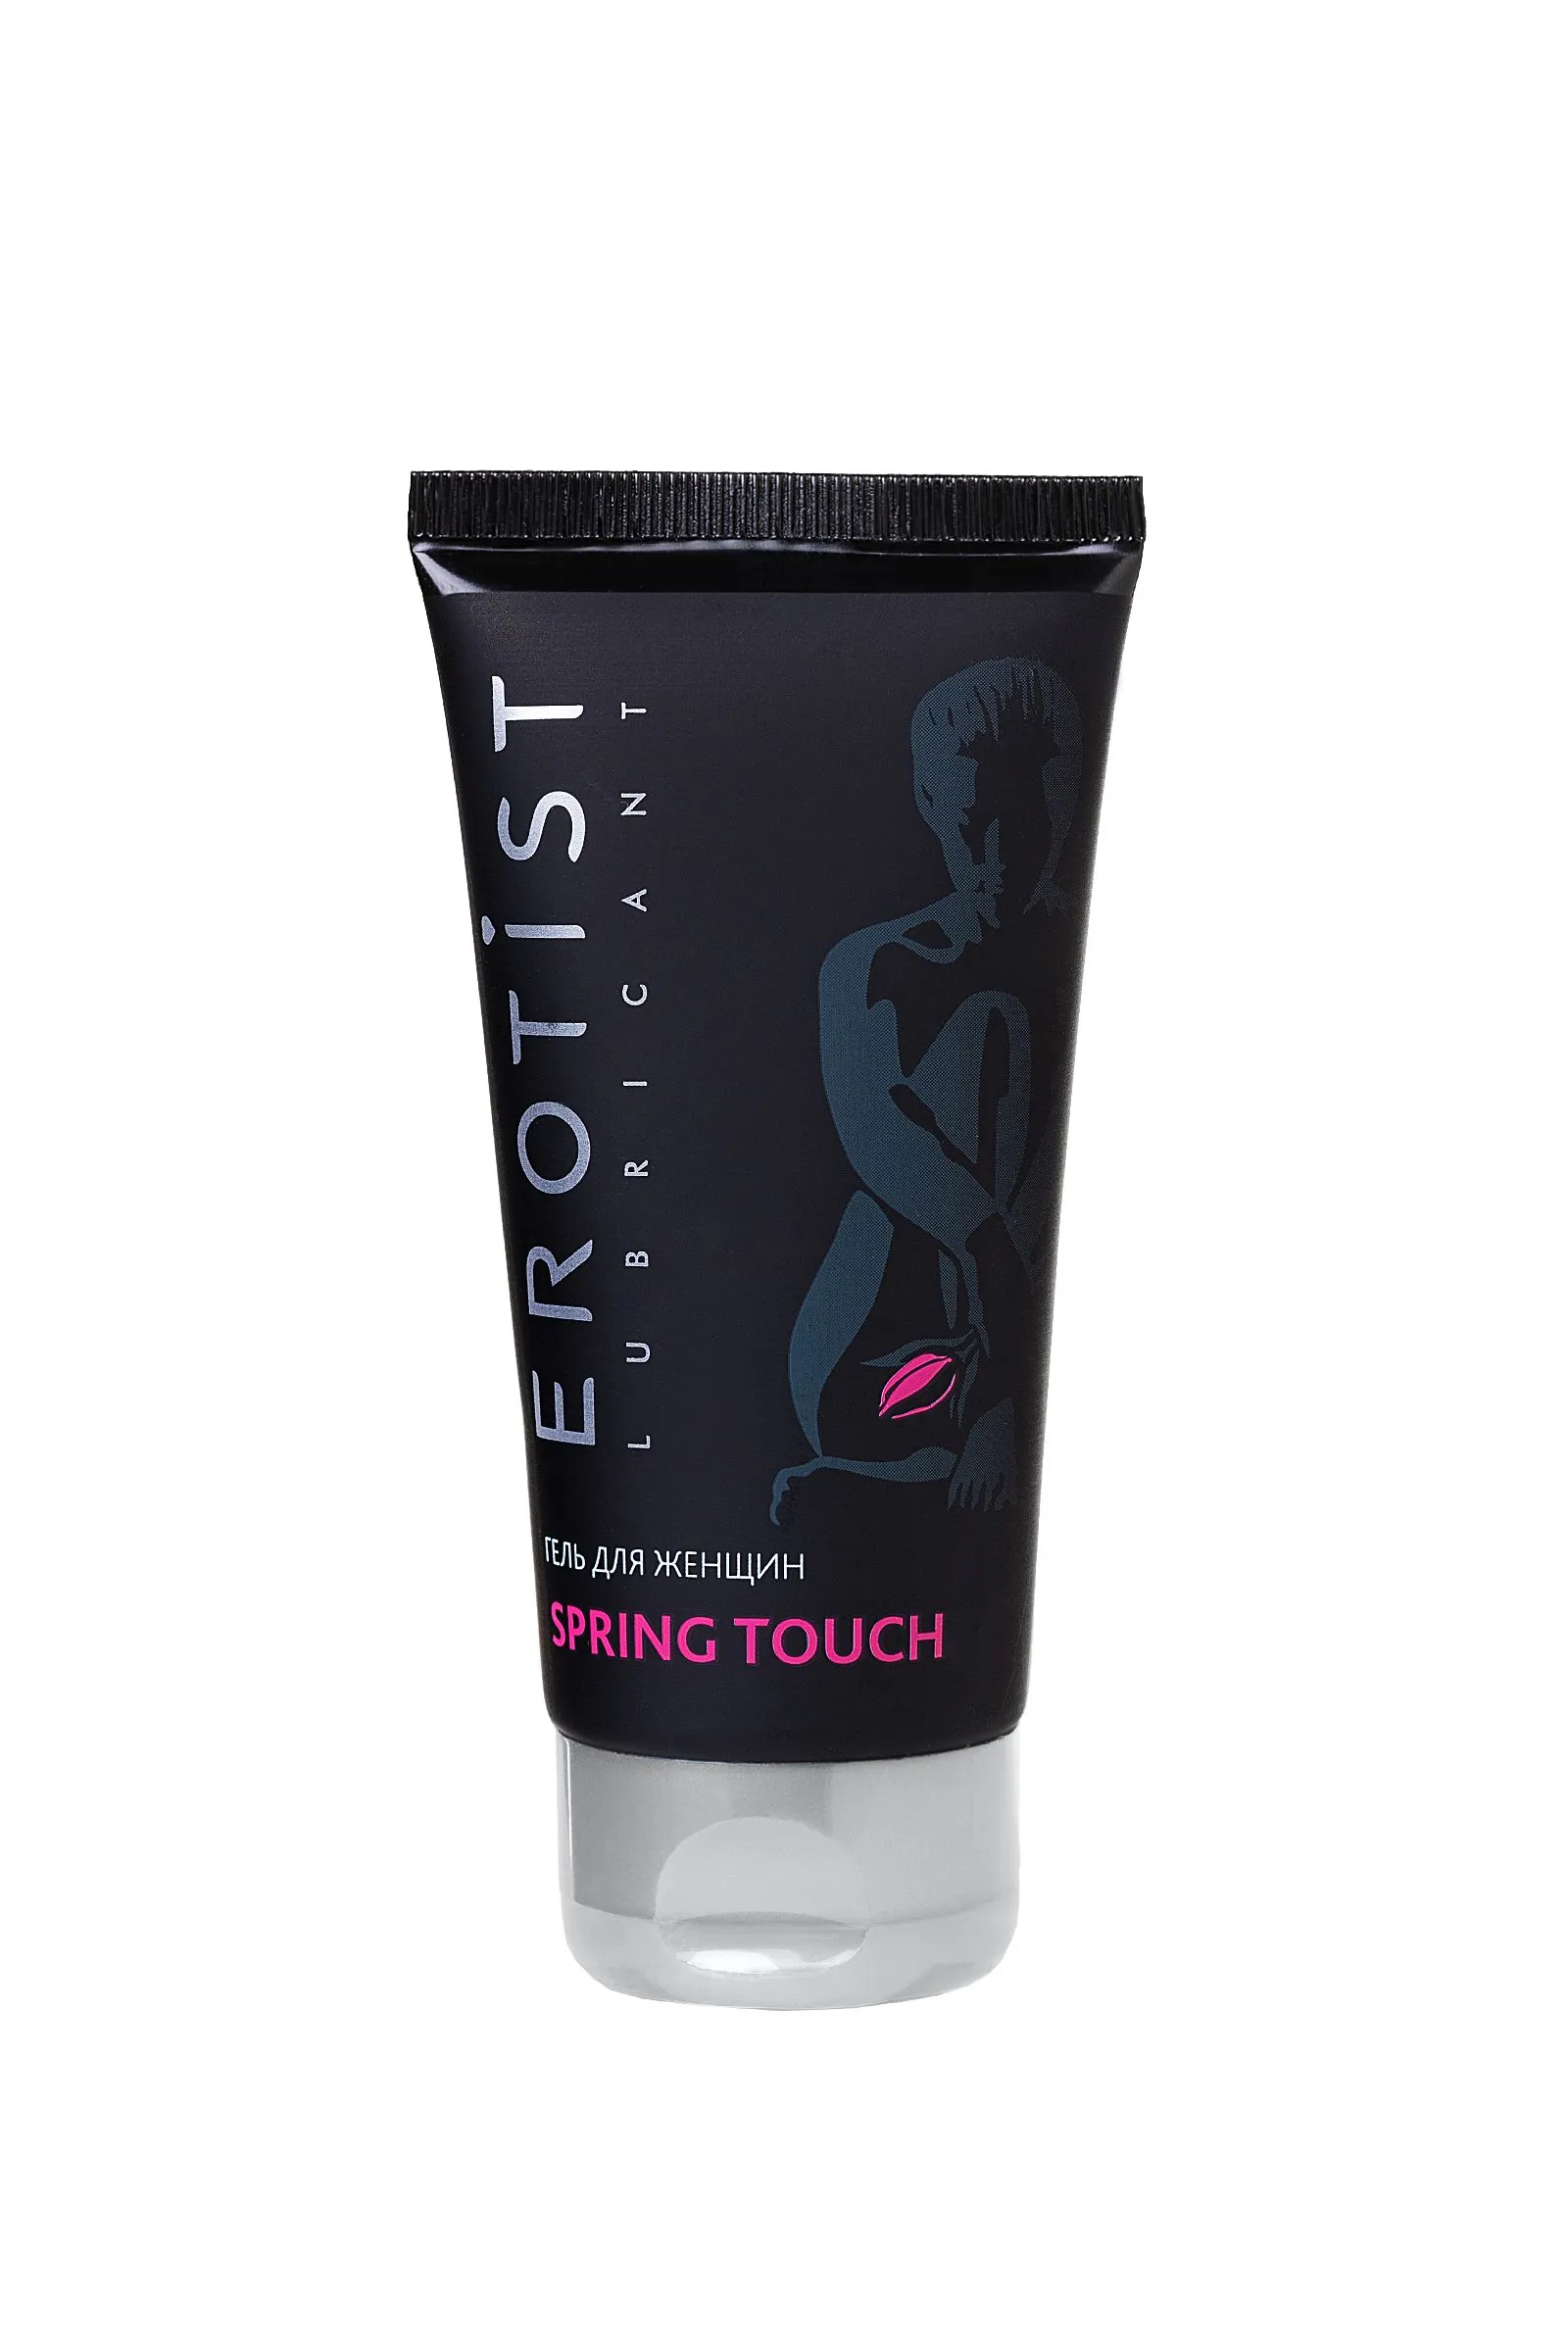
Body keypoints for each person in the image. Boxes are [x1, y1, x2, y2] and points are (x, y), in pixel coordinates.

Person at [771, 658, 1082, 1528]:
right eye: (975, 824)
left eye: (1025, 823)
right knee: (995, 1022)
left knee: (1009, 1020)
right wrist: (996, 1371)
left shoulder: (1072, 952)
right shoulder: (874, 965)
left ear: (1058, 808)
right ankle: (923, 1464)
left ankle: (902, 1480)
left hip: (1011, 1338)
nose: (1000, 859)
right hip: (871, 1343)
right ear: (932, 803)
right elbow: (881, 1134)